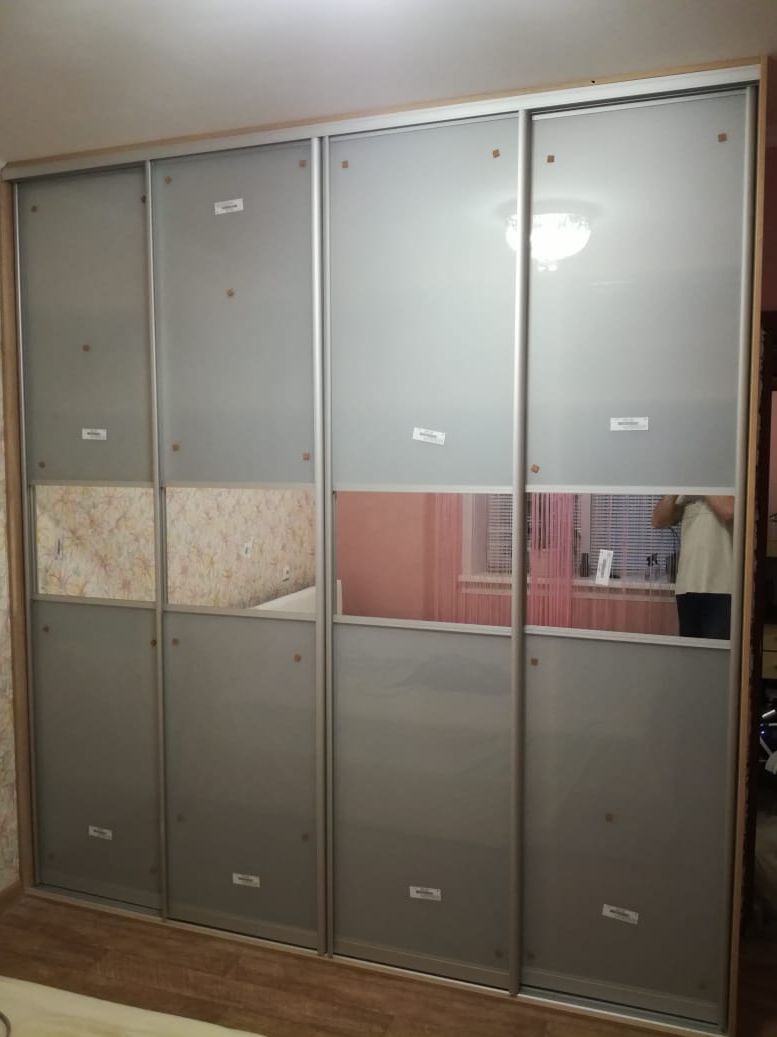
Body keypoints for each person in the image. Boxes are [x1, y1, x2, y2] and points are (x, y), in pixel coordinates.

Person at [651, 495, 734, 638]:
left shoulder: (732, 485)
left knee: (717, 650)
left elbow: (729, 510)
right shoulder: (687, 491)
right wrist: (673, 492)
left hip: (722, 587)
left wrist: (703, 487)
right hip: (687, 585)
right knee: (691, 651)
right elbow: (658, 520)